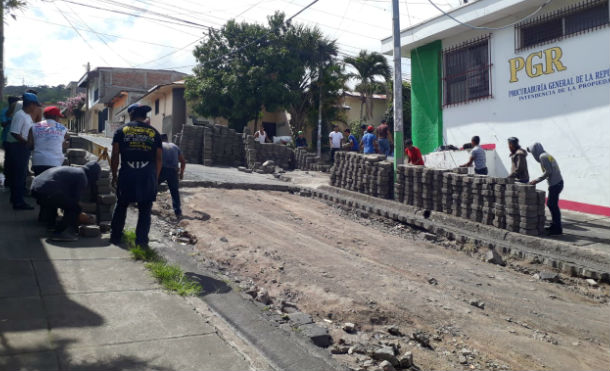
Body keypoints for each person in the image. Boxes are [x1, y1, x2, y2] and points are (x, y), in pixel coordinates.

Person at [110, 104, 162, 248]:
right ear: (145, 116)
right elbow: (159, 159)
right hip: (148, 174)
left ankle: (115, 237)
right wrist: (155, 179)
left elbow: (115, 155)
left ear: (131, 115)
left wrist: (114, 175)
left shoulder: (121, 130)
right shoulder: (154, 132)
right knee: (145, 209)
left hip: (128, 172)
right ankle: (141, 243)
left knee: (121, 204)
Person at [31, 161, 101, 241]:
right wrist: (82, 217)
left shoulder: (74, 170)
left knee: (58, 199)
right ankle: (61, 232)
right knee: (75, 208)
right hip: (47, 191)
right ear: (93, 175)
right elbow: (74, 202)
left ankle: (50, 224)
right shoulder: (82, 176)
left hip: (35, 188)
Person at [6, 92, 41, 210]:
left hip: (22, 147)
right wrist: (26, 143)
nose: (36, 108)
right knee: (19, 176)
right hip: (18, 147)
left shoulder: (26, 115)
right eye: (35, 105)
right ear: (30, 104)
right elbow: (15, 132)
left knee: (21, 175)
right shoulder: (20, 115)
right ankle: (18, 202)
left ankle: (15, 198)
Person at [528, 142, 564, 235]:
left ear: (536, 151)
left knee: (552, 205)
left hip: (555, 184)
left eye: (532, 152)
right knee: (552, 205)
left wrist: (536, 180)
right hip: (558, 183)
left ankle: (557, 229)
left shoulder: (542, 157)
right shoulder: (546, 155)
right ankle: (555, 225)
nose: (533, 155)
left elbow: (548, 172)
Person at [28, 106, 69, 176]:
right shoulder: (63, 129)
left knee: (39, 183)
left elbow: (30, 145)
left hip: (38, 162)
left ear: (44, 115)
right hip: (55, 162)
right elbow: (65, 145)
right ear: (56, 117)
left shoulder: (33, 127)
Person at [159, 134, 186, 219]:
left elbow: (156, 159)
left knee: (151, 187)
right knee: (174, 192)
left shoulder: (159, 145)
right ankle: (178, 212)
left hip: (162, 170)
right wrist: (181, 174)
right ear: (167, 139)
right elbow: (183, 161)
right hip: (173, 171)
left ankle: (145, 204)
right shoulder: (175, 146)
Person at [1, 96, 21, 186]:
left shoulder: (20, 112)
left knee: (16, 160)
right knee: (8, 160)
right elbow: (3, 124)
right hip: (7, 138)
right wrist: (12, 119)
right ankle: (8, 180)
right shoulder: (5, 111)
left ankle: (13, 179)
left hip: (18, 139)